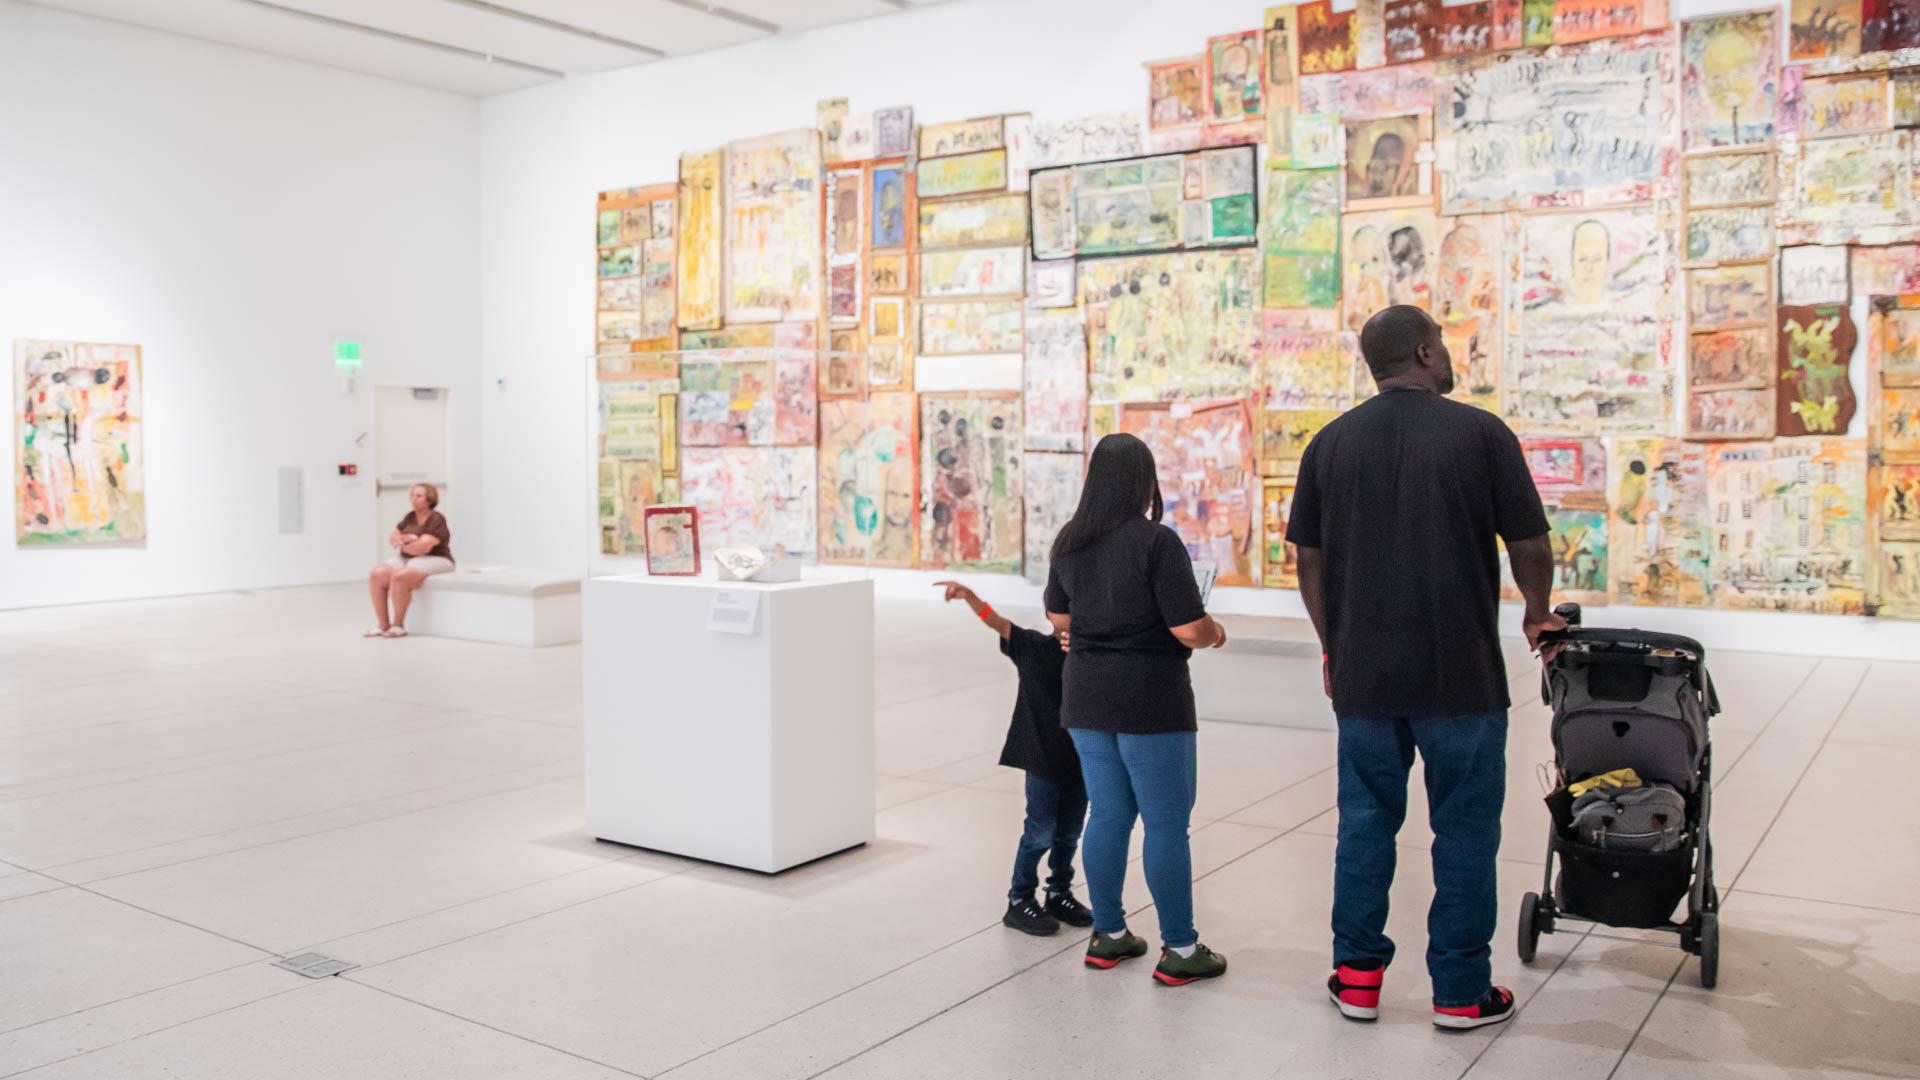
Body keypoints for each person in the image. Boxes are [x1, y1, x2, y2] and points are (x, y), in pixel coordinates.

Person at [1287, 305, 1563, 1030]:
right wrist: (1538, 612)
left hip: (1364, 679)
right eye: (1442, 343)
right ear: (1422, 352)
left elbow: (1308, 559)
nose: (1449, 355)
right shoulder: (1481, 434)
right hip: (1461, 676)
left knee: (1364, 825)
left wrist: (1332, 644)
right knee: (1465, 832)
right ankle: (1461, 992)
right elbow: (1529, 542)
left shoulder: (1329, 444)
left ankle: (1357, 980)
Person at [1043, 433, 1231, 988]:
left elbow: (1058, 618)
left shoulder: (1068, 541)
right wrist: (1216, 633)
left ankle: (1109, 935)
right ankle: (1181, 949)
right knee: (1166, 822)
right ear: (1144, 481)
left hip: (1085, 697)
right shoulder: (1157, 542)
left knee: (1107, 814)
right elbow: (1189, 629)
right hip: (1152, 700)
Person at [934, 580, 1095, 938]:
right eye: (1063, 611)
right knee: (1040, 832)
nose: (1070, 618)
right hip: (1042, 758)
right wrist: (969, 597)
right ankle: (1020, 899)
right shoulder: (1033, 647)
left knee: (1070, 833)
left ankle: (1058, 892)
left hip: (1081, 759)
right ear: (1049, 614)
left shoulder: (1091, 657)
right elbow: (997, 622)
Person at [367, 483, 455, 639]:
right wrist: (409, 540)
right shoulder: (410, 517)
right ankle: (383, 624)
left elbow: (422, 548)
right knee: (376, 574)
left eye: (418, 496)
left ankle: (398, 625)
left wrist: (405, 542)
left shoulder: (436, 519)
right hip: (407, 557)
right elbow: (393, 538)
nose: (413, 499)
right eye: (412, 495)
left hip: (436, 558)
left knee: (400, 577)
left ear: (429, 499)